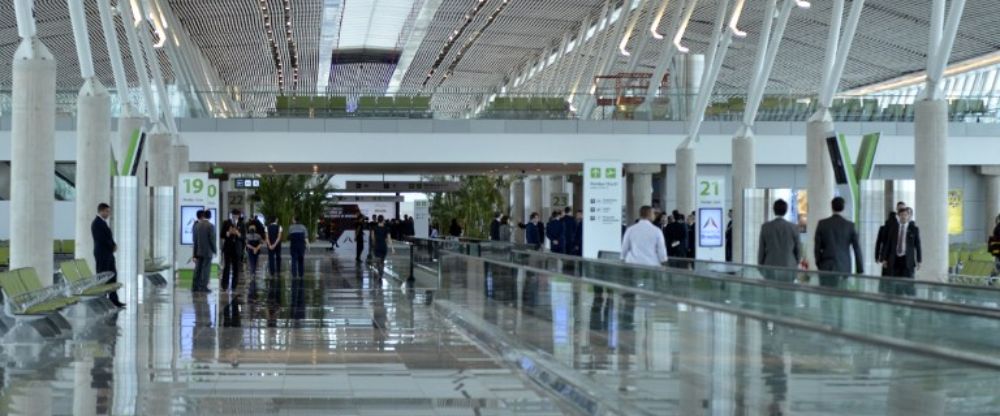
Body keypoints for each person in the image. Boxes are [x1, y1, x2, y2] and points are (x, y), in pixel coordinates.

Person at [814, 197, 863, 287]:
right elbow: (856, 248)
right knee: (842, 296)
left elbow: (817, 248)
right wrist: (860, 269)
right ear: (843, 208)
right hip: (844, 267)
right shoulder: (850, 226)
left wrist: (819, 264)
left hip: (826, 266)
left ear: (831, 207)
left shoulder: (822, 224)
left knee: (826, 296)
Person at [91, 203, 125, 308]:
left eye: (109, 211)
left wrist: (114, 245)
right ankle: (102, 300)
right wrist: (111, 246)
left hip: (108, 254)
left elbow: (108, 237)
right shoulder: (96, 223)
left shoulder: (103, 223)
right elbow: (101, 239)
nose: (108, 213)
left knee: (112, 275)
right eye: (107, 211)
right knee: (103, 276)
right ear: (101, 211)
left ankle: (114, 300)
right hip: (102, 254)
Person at [757, 199, 801, 271]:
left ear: (774, 210)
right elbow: (798, 250)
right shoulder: (794, 227)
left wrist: (760, 265)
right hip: (789, 265)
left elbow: (761, 249)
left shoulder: (765, 227)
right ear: (786, 210)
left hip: (769, 266)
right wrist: (796, 262)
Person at [881, 207, 922, 279]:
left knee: (907, 283)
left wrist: (919, 260)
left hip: (907, 260)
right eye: (902, 215)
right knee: (895, 281)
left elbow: (918, 245)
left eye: (905, 215)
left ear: (908, 216)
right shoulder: (893, 228)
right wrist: (884, 258)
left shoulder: (914, 229)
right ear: (898, 216)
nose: (904, 217)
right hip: (894, 259)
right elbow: (888, 244)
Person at [192, 209, 217, 293]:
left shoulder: (197, 226)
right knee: (206, 269)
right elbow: (212, 240)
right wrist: (215, 250)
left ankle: (195, 286)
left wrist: (194, 253)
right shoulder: (210, 226)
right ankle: (203, 287)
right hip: (207, 252)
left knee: (198, 269)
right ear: (210, 216)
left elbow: (195, 241)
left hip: (198, 251)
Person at [220, 209, 243, 292]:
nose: (235, 217)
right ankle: (224, 285)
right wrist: (228, 233)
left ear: (239, 216)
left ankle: (234, 285)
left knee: (236, 268)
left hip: (237, 249)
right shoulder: (226, 223)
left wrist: (238, 234)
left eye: (237, 215)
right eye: (233, 215)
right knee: (227, 266)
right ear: (231, 215)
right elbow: (222, 235)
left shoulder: (241, 224)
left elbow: (243, 237)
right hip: (228, 248)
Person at [874, 211, 897, 276]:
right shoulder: (896, 228)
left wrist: (877, 256)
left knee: (885, 276)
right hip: (894, 257)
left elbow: (878, 243)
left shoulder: (883, 228)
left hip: (884, 256)